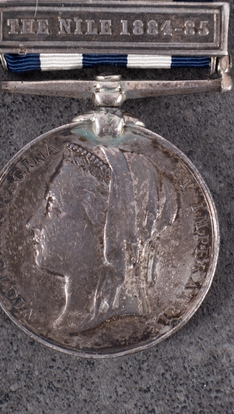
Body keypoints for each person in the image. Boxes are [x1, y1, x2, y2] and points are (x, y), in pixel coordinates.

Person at [28, 142, 178, 333]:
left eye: (51, 207)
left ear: (106, 226)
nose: (33, 223)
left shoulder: (125, 327)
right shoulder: (73, 322)